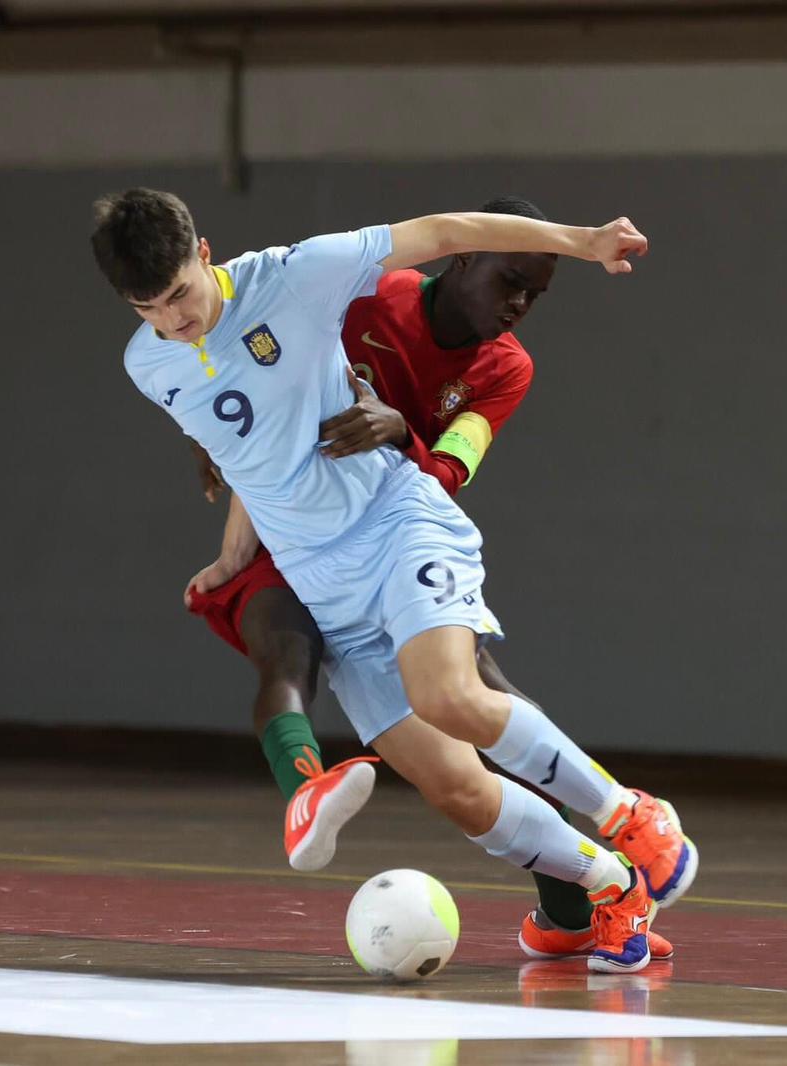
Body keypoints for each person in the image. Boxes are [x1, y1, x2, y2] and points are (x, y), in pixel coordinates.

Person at [92, 189, 695, 972]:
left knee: (453, 691)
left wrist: (585, 241)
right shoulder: (149, 364)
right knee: (458, 789)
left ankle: (631, 815)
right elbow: (251, 458)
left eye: (179, 295)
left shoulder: (299, 275)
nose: (175, 321)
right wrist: (234, 555)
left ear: (203, 254)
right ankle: (611, 889)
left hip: (395, 520)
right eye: (149, 308)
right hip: (321, 578)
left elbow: (448, 230)